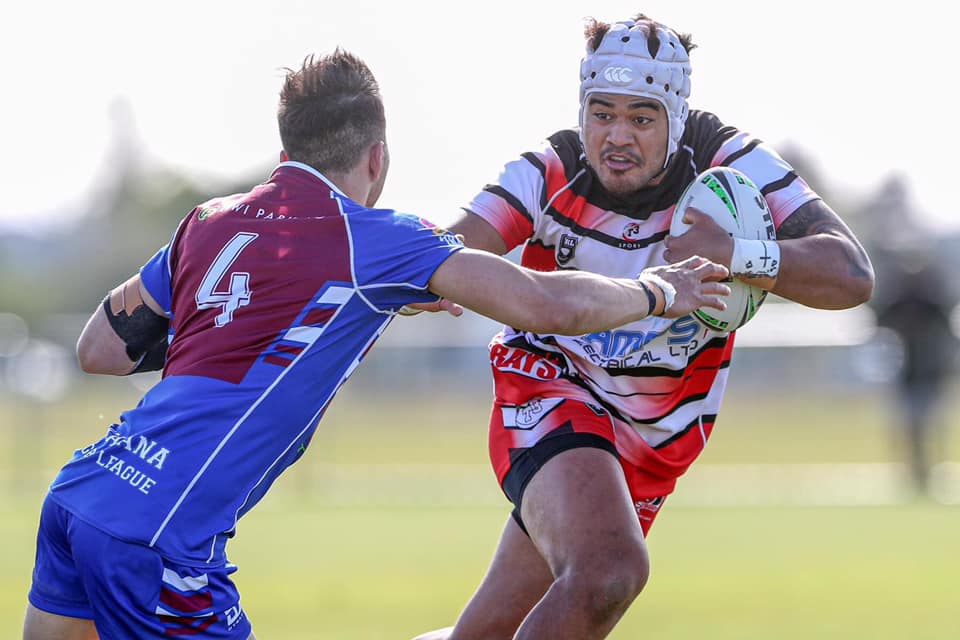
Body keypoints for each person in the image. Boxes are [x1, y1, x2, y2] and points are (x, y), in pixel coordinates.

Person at [21, 49, 730, 640]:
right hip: (158, 536)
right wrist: (659, 289)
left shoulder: (208, 222)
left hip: (83, 494)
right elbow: (543, 302)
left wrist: (229, 332)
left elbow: (100, 349)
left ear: (284, 149)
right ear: (378, 158)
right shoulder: (373, 239)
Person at [415, 13, 874, 640]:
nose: (616, 137)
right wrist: (418, 270)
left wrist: (737, 252)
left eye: (641, 117)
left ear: (677, 118)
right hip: (551, 390)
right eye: (601, 113)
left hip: (656, 438)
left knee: (492, 631)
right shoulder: (549, 169)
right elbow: (457, 243)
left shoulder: (730, 162)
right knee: (609, 573)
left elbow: (851, 275)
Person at [876, 246, 957, 495]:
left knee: (931, 425)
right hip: (909, 375)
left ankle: (930, 471)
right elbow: (879, 314)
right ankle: (914, 473)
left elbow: (946, 313)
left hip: (930, 375)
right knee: (911, 426)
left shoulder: (932, 305)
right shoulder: (900, 304)